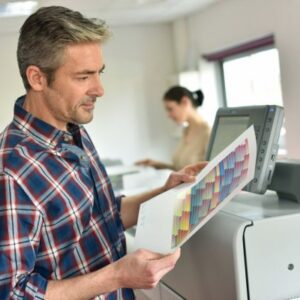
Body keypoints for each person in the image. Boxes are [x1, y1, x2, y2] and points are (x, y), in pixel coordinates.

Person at [0, 6, 207, 300]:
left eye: (99, 73)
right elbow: (12, 293)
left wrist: (164, 191)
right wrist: (118, 275)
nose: (99, 89)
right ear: (37, 78)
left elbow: (104, 215)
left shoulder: (74, 131)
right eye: (84, 77)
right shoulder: (11, 171)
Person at [136, 86, 210, 171]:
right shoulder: (186, 131)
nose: (168, 115)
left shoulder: (208, 134)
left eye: (170, 109)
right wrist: (157, 164)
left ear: (184, 102)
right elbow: (180, 169)